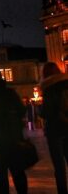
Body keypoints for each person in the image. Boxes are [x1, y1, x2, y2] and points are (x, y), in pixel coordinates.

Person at [0, 68, 28, 194]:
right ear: (1, 78)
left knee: (0, 172)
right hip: (13, 137)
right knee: (18, 171)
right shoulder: (10, 93)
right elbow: (22, 111)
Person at [40, 62, 68, 194]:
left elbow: (46, 112)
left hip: (55, 130)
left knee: (59, 166)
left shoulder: (48, 87)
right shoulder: (66, 82)